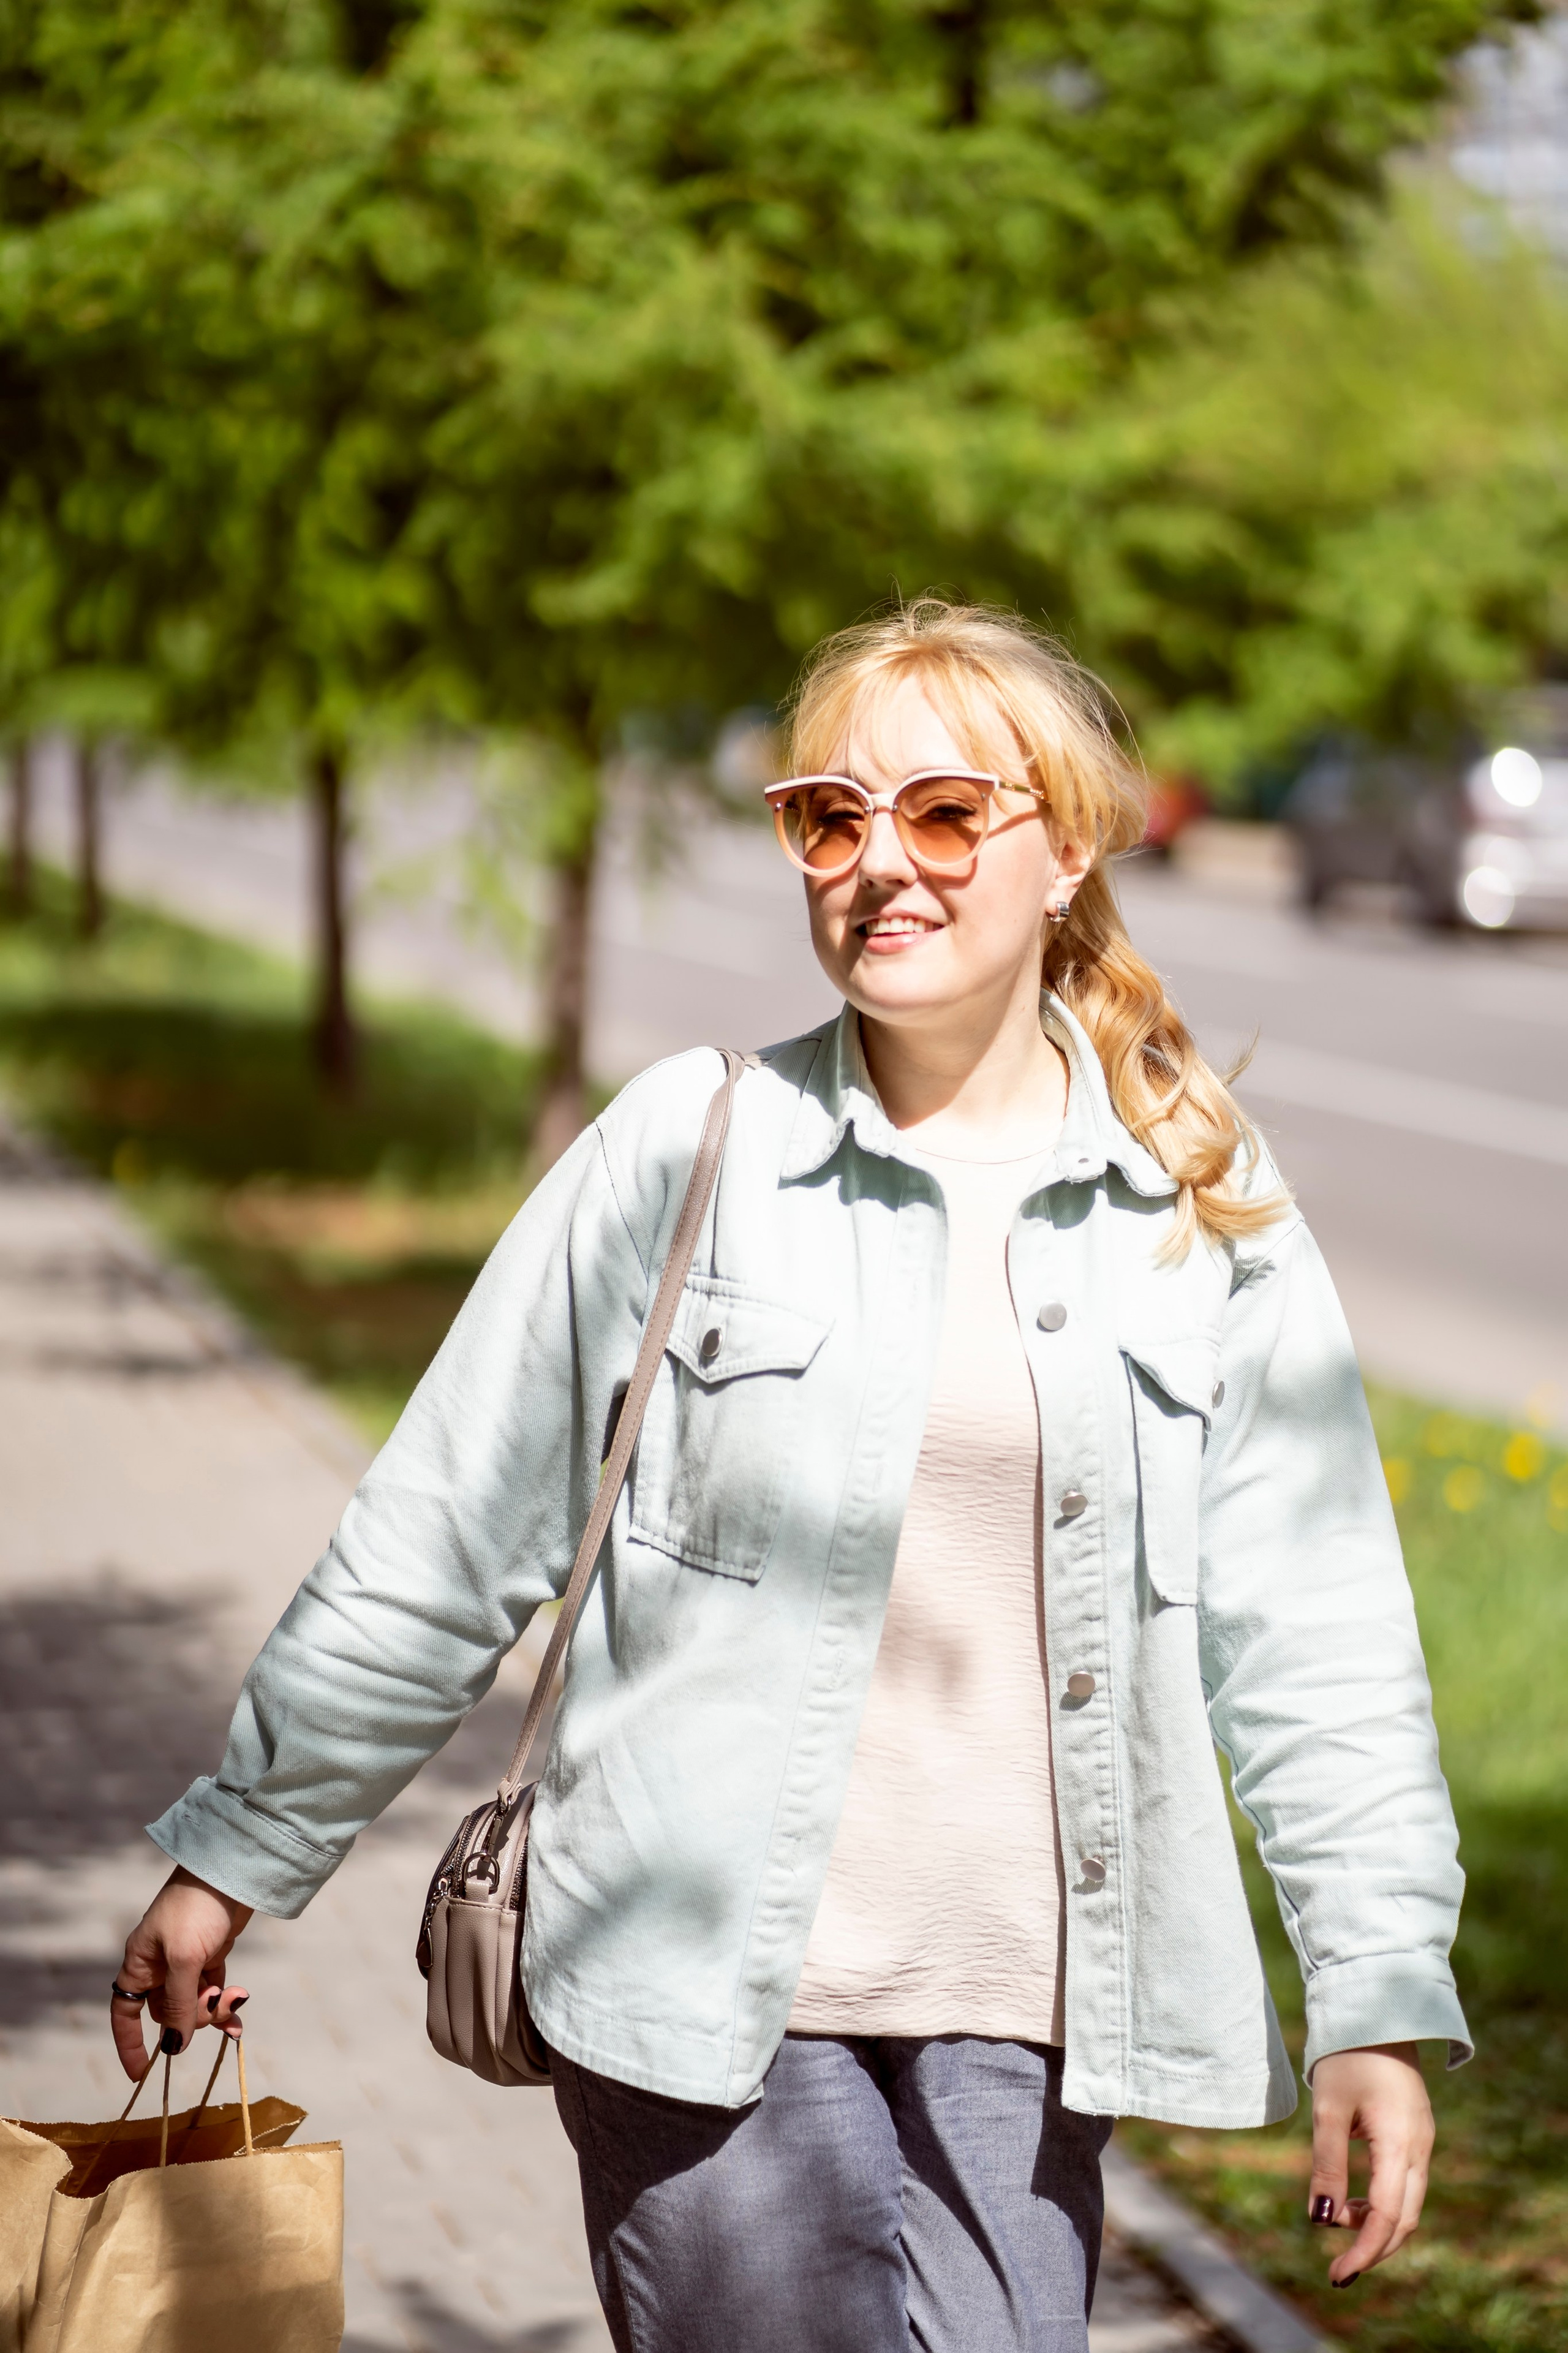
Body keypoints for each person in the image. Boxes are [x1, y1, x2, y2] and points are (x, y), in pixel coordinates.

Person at [113, 602, 1468, 2353]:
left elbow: (1321, 1626)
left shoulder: (1191, 1204)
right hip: (693, 1991)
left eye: (945, 815)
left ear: (1066, 847)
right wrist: (237, 1849)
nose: (879, 864)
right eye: (831, 816)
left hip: (1031, 2011)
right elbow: (445, 1532)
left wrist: (1371, 1990)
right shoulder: (694, 1144)